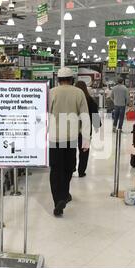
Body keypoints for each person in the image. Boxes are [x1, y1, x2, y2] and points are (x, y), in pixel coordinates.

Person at [49, 67, 90, 217]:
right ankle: (65, 195)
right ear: (72, 79)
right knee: (68, 168)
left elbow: (45, 115)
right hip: (71, 138)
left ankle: (57, 200)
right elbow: (85, 117)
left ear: (58, 79)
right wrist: (86, 139)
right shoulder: (78, 93)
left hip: (54, 138)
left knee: (55, 169)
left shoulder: (51, 92)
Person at [74, 81, 102, 177]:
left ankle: (72, 167)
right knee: (84, 151)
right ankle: (81, 171)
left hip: (73, 129)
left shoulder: (73, 100)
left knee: (71, 149)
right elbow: (95, 116)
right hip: (86, 130)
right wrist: (97, 125)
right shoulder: (90, 101)